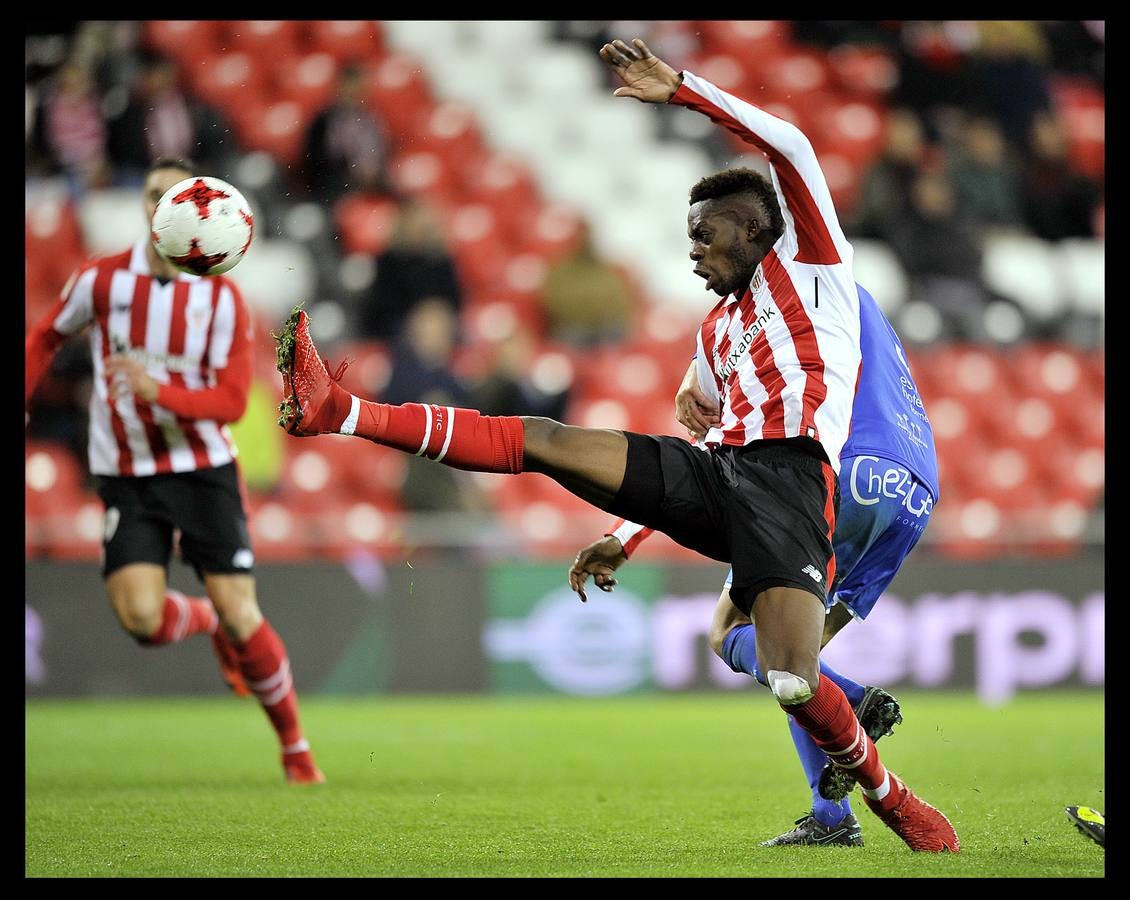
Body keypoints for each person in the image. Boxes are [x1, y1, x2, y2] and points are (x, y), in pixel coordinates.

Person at [276, 38, 958, 851]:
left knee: (790, 680)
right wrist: (626, 535)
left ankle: (889, 798)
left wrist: (683, 90)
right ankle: (340, 409)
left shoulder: (816, 267)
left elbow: (793, 147)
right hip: (722, 476)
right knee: (548, 440)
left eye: (706, 234)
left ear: (752, 229)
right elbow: (699, 428)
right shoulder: (718, 330)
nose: (694, 249)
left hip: (791, 487)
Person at [569, 281, 939, 847]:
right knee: (798, 652)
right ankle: (832, 818)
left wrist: (626, 533)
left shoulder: (763, 308)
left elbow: (725, 447)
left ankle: (856, 704)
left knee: (736, 633)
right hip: (912, 489)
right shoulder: (842, 286)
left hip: (837, 468)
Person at [25, 157, 324, 785]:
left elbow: (233, 403)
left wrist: (157, 391)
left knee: (245, 615)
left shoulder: (220, 298)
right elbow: (49, 336)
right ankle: (205, 617)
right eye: (155, 194)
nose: (165, 205)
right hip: (127, 474)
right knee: (142, 621)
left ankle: (296, 749)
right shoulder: (103, 280)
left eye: (177, 195)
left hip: (202, 470)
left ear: (203, 209)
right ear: (146, 205)